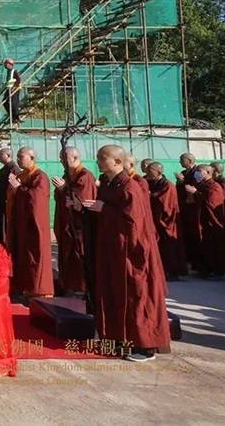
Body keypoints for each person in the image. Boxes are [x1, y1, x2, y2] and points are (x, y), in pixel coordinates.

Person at [84, 145, 170, 362]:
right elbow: (104, 210)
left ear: (118, 162)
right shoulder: (108, 184)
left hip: (131, 253)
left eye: (102, 158)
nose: (98, 161)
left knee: (136, 296)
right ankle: (118, 339)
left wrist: (104, 209)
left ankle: (144, 346)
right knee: (113, 294)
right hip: (113, 250)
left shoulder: (130, 187)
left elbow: (133, 221)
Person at [8, 147, 53, 299]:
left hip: (34, 225)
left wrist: (19, 188)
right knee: (21, 256)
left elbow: (36, 199)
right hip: (21, 223)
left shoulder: (40, 177)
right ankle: (24, 289)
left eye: (21, 157)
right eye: (17, 157)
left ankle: (38, 290)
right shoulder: (22, 175)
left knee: (35, 256)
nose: (18, 159)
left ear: (32, 158)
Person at [51, 147, 97, 296]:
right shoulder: (68, 174)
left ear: (75, 158)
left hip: (79, 225)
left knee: (78, 254)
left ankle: (81, 288)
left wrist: (63, 188)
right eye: (60, 158)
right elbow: (62, 198)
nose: (61, 161)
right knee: (66, 254)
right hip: (66, 223)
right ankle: (68, 284)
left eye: (63, 158)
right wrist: (61, 189)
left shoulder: (84, 176)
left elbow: (81, 201)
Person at [145, 161, 186, 281]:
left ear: (159, 172)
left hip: (167, 221)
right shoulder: (151, 182)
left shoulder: (168, 185)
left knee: (169, 246)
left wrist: (150, 195)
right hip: (155, 220)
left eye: (150, 171)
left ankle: (173, 272)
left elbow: (165, 202)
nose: (147, 174)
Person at [185, 164, 225, 278]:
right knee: (203, 246)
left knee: (214, 247)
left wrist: (195, 193)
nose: (196, 174)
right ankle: (205, 269)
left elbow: (212, 202)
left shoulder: (215, 186)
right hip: (202, 221)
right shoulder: (201, 184)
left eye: (199, 171)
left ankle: (217, 271)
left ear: (208, 173)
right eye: (196, 171)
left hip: (212, 222)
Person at [176, 152, 201, 272]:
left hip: (194, 208)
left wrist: (184, 181)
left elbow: (200, 186)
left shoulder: (197, 173)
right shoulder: (184, 173)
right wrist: (180, 181)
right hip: (185, 207)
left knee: (195, 235)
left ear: (189, 161)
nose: (180, 162)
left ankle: (197, 262)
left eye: (182, 160)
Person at [0, 148, 15, 244]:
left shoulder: (13, 169)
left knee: (6, 224)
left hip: (7, 201)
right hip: (0, 200)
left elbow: (13, 186)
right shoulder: (3, 169)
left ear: (8, 155)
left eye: (1, 154)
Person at [2, 59, 22, 124]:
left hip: (14, 89)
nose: (5, 65)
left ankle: (16, 117)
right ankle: (12, 116)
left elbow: (18, 80)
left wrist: (15, 87)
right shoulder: (8, 72)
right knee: (5, 102)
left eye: (6, 64)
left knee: (14, 103)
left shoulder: (14, 71)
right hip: (9, 88)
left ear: (10, 64)